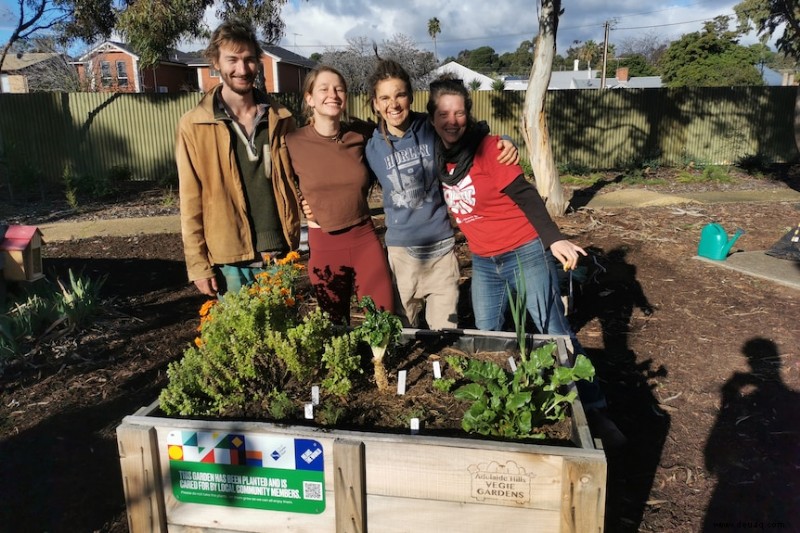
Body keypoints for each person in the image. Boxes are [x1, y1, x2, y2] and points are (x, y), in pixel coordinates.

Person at [427, 76, 626, 447]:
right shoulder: (437, 154)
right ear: (433, 118)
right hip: (484, 261)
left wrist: (554, 239)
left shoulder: (489, 150)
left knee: (553, 328)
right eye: (443, 113)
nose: (451, 120)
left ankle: (595, 408)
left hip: (523, 251)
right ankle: (502, 404)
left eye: (458, 112)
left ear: (468, 115)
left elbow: (526, 194)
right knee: (489, 338)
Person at [364, 59, 518, 330]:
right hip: (401, 254)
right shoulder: (371, 147)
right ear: (375, 103)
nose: (394, 104)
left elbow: (473, 134)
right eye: (385, 98)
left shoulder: (430, 127)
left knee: (443, 333)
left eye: (400, 95)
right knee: (403, 331)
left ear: (411, 97)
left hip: (441, 250)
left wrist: (506, 140)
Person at [176, 20, 302, 298]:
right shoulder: (194, 125)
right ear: (216, 62)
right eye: (232, 60)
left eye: (249, 60)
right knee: (237, 339)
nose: (242, 70)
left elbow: (299, 179)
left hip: (278, 254)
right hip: (228, 261)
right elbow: (190, 200)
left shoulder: (281, 118)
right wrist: (198, 264)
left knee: (283, 339)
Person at [285, 65, 395, 325]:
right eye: (324, 89)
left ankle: (381, 365)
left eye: (339, 89)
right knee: (335, 326)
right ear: (309, 98)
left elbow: (410, 126)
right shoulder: (292, 142)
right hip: (324, 244)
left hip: (364, 238)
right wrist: (299, 202)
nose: (332, 94)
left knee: (382, 318)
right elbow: (278, 185)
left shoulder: (361, 135)